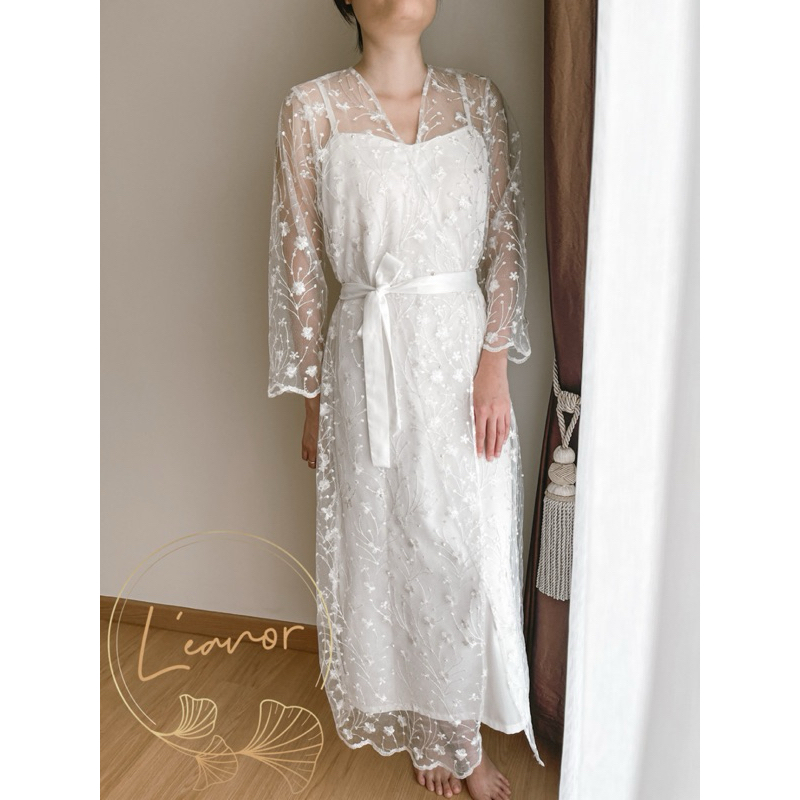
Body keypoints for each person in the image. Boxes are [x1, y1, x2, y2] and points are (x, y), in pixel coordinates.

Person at [267, 2, 543, 798]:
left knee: (464, 548)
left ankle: (456, 724)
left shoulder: (477, 100)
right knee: (394, 549)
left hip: (463, 364)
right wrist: (313, 398)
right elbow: (299, 260)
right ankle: (443, 735)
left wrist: (494, 363)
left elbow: (505, 238)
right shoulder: (311, 108)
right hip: (367, 365)